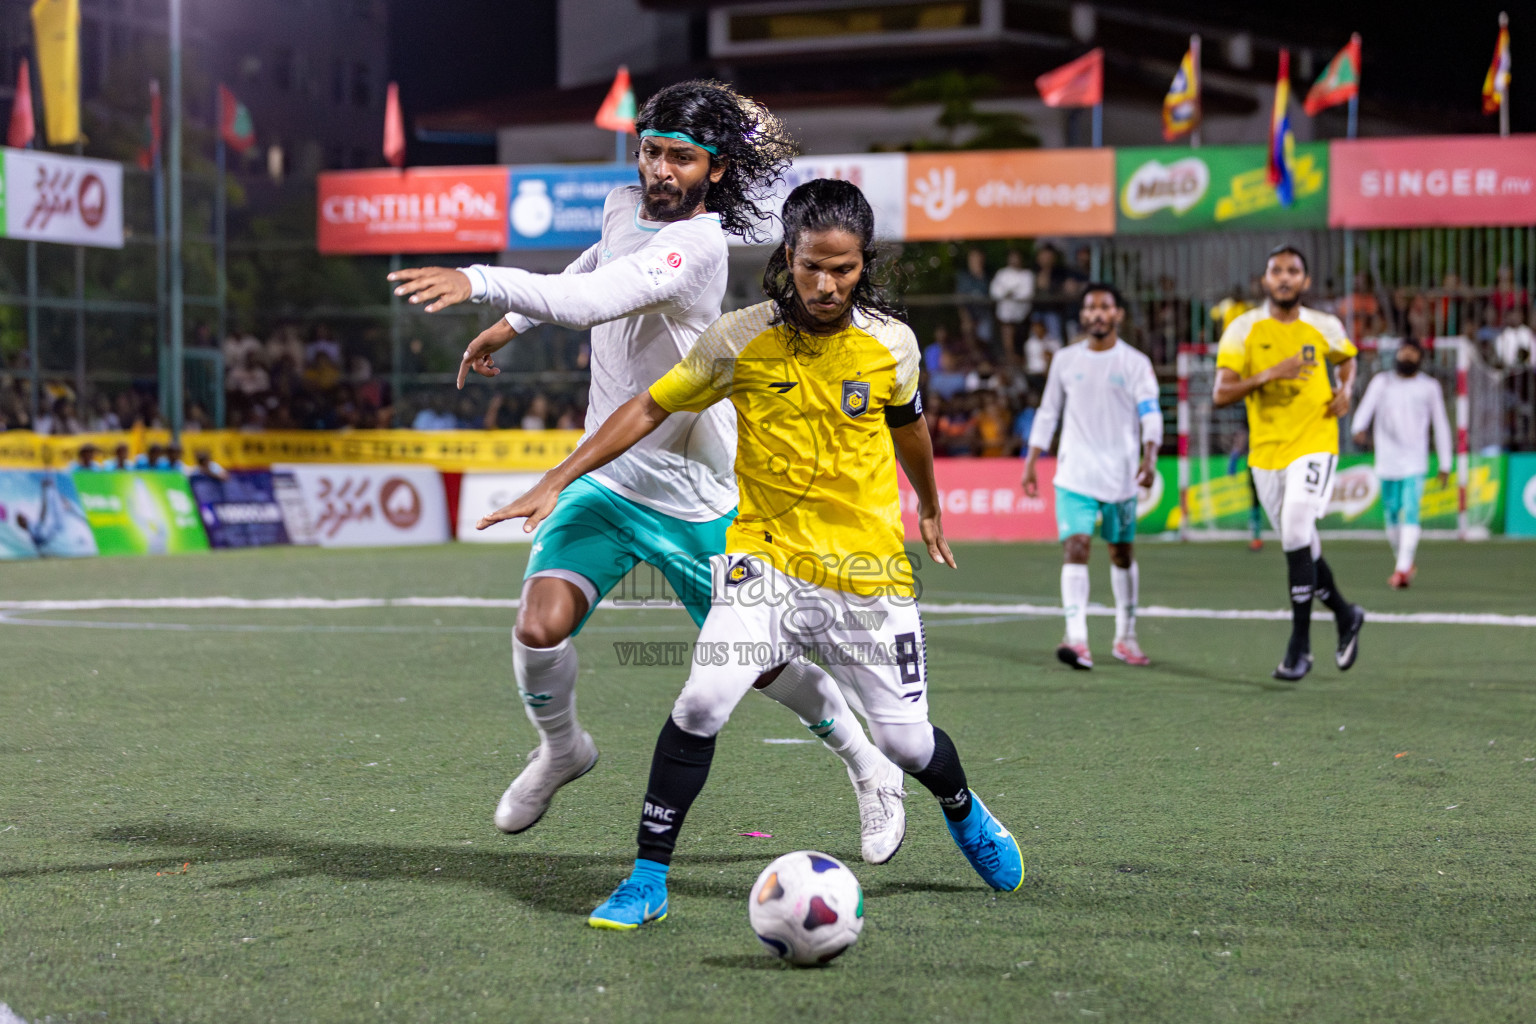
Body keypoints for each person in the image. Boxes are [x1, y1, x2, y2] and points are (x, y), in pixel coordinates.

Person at [481, 179, 1025, 930]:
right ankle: (646, 877)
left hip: (867, 573)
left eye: (844, 268)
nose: (827, 284)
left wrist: (929, 503)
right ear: (787, 259)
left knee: (906, 741)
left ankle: (963, 811)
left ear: (865, 262)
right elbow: (646, 406)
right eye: (811, 267)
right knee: (700, 702)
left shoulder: (893, 343)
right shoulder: (738, 337)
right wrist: (558, 476)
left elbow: (910, 429)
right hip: (762, 563)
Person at [387, 82, 906, 865]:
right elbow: (597, 259)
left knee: (761, 664)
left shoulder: (698, 248)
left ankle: (868, 765)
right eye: (652, 151)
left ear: (717, 170)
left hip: (698, 495)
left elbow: (601, 297)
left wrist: (482, 280)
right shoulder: (623, 204)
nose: (661, 170)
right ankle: (562, 749)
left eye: (681, 158)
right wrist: (513, 322)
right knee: (537, 627)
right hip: (609, 477)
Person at [1213, 245, 1365, 681]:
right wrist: (1268, 374)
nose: (1284, 277)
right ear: (1265, 280)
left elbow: (1348, 358)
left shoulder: (1325, 325)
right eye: (1276, 271)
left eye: (1293, 271)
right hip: (1266, 452)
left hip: (1315, 439)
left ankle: (1300, 646)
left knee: (1298, 529)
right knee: (1301, 546)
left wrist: (1347, 388)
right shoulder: (1242, 328)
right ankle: (1345, 612)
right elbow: (1222, 393)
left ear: (1306, 281)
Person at [1021, 284, 1161, 669]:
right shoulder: (1066, 360)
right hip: (1074, 473)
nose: (1097, 314)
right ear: (1083, 316)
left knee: (1121, 553)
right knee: (1076, 546)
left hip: (1120, 475)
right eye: (1091, 308)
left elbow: (1151, 413)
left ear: (1117, 314)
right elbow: (1048, 411)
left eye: (1105, 307)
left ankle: (1126, 637)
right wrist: (1032, 458)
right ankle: (1077, 640)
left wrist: (1150, 458)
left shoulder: (1135, 363)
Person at [1351, 340, 1452, 588]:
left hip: (1414, 461)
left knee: (1411, 509)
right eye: (1403, 353)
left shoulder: (1429, 387)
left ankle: (1402, 568)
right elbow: (1365, 410)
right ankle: (1403, 559)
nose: (1406, 357)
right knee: (1391, 513)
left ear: (1419, 359)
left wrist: (1445, 462)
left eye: (1412, 354)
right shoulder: (1381, 382)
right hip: (1386, 459)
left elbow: (1440, 423)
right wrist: (1358, 428)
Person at [990, 250, 1034, 362]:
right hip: (1005, 316)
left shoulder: (1027, 274)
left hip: (1022, 317)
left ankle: (1020, 360)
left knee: (1022, 343)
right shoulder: (1002, 273)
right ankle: (1009, 357)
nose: (1014, 260)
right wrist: (1008, 292)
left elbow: (1027, 292)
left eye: (1017, 257)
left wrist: (1011, 293)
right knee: (1006, 335)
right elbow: (995, 291)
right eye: (1012, 257)